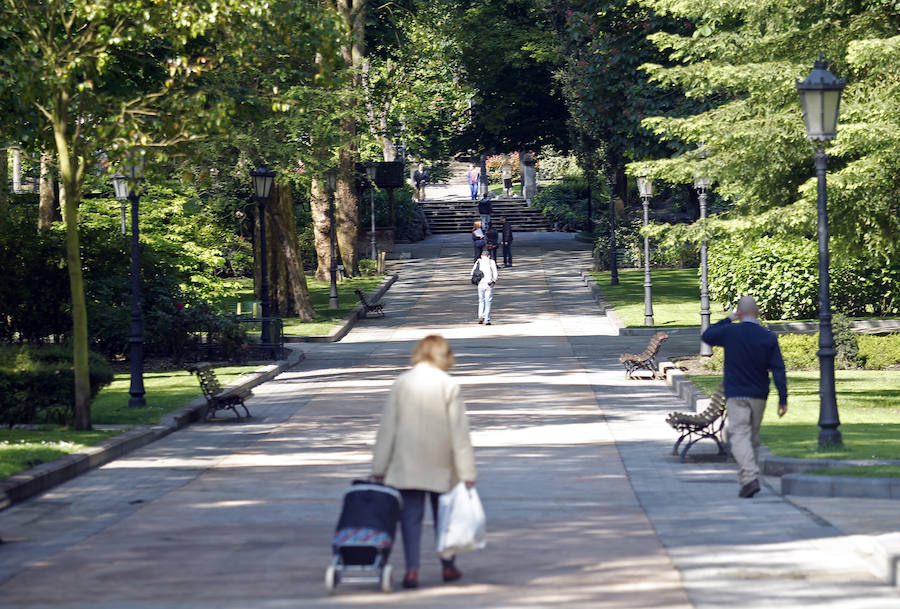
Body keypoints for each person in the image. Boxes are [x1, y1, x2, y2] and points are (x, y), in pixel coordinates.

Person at [372, 335, 477, 589]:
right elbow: (459, 433)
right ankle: (448, 565)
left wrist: (379, 467)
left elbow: (388, 428)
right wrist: (467, 471)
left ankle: (411, 571)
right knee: (445, 514)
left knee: (410, 518)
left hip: (407, 461)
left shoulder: (402, 383)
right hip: (441, 461)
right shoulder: (448, 384)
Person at [701, 295, 788, 499]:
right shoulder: (767, 336)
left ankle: (749, 476)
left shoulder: (731, 332)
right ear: (757, 312)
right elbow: (778, 370)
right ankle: (747, 482)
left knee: (739, 435)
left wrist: (729, 318)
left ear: (739, 312)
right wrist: (783, 398)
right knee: (753, 438)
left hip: (736, 392)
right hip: (759, 394)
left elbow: (708, 335)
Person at [472, 249, 498, 325]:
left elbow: (472, 272)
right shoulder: (491, 262)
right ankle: (487, 319)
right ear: (489, 256)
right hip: (488, 283)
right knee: (488, 301)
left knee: (481, 300)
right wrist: (493, 280)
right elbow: (495, 273)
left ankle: (480, 316)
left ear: (481, 256)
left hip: (480, 283)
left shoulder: (478, 261)